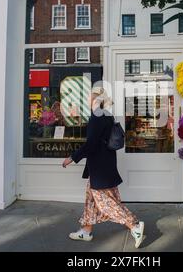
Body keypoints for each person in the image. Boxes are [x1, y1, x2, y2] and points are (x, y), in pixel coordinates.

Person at [62, 87, 145, 248]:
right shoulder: (106, 115)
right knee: (91, 200)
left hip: (100, 167)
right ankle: (86, 230)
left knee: (106, 202)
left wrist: (72, 158)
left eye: (88, 96)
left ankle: (134, 226)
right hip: (104, 165)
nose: (86, 99)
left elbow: (91, 145)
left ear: (94, 99)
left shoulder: (97, 117)